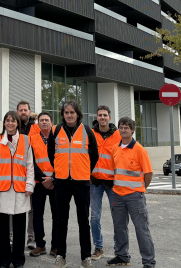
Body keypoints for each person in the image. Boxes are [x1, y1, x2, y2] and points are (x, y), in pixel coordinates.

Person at [47, 100, 99, 268]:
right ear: (63, 114)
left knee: (83, 221)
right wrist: (59, 169)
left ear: (78, 114)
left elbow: (95, 155)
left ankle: (86, 257)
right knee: (61, 220)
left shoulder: (87, 131)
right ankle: (61, 255)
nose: (69, 115)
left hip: (82, 182)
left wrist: (85, 170)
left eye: (72, 112)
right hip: (61, 181)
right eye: (66, 112)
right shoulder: (55, 131)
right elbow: (50, 153)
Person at [106, 117, 155, 268]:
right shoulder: (115, 148)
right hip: (117, 195)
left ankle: (148, 262)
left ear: (132, 130)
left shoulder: (140, 150)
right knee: (119, 227)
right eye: (121, 127)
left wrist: (141, 189)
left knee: (141, 229)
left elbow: (148, 173)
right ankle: (122, 256)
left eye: (126, 127)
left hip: (134, 196)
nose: (123, 130)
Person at [0, 111, 34, 268]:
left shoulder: (26, 140)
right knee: (1, 228)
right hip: (1, 190)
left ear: (17, 124)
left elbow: (29, 165)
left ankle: (18, 260)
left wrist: (30, 185)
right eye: (7, 121)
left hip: (20, 190)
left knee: (19, 228)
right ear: (4, 123)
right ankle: (3, 260)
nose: (10, 123)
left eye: (13, 121)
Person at [89, 106, 121, 260]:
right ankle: (98, 247)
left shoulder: (118, 135)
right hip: (95, 181)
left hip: (112, 183)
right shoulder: (90, 133)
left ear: (109, 117)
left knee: (117, 216)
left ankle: (118, 249)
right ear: (97, 116)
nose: (102, 117)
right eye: (100, 115)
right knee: (94, 217)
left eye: (105, 115)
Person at [29, 112, 56, 257]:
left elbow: (62, 160)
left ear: (51, 123)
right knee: (37, 215)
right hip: (39, 182)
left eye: (47, 120)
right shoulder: (31, 139)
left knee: (57, 216)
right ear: (37, 123)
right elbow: (30, 161)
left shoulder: (58, 139)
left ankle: (55, 246)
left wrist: (53, 179)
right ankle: (40, 245)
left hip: (55, 182)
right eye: (41, 120)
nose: (44, 122)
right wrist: (43, 178)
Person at [16, 101, 38, 249]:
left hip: (32, 171)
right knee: (14, 205)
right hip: (15, 172)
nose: (23, 112)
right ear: (17, 112)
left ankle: (31, 236)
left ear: (29, 112)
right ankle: (11, 236)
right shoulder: (12, 126)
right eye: (21, 110)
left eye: (25, 110)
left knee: (32, 207)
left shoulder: (36, 128)